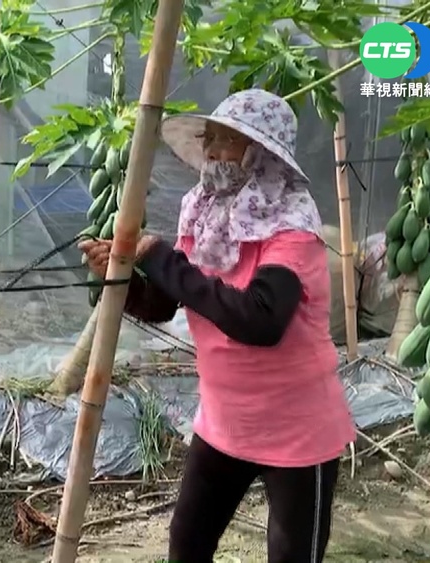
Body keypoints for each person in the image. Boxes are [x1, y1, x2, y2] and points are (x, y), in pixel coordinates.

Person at [78, 89, 356, 563]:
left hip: (297, 429)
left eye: (229, 141)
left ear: (263, 155)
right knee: (187, 544)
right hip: (224, 423)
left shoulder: (293, 226)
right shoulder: (202, 213)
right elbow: (168, 302)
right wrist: (123, 282)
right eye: (211, 139)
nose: (212, 151)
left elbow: (259, 319)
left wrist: (162, 257)